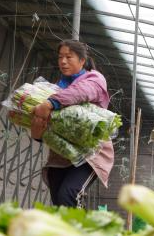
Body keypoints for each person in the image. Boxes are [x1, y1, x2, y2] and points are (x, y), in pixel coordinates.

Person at [29, 40, 114, 208]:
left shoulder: (94, 79)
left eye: (69, 57)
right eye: (60, 57)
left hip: (90, 154)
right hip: (61, 155)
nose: (63, 61)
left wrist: (49, 103)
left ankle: (81, 226)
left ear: (82, 60)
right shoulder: (56, 88)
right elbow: (47, 125)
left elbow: (79, 92)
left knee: (69, 195)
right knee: (59, 203)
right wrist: (37, 131)